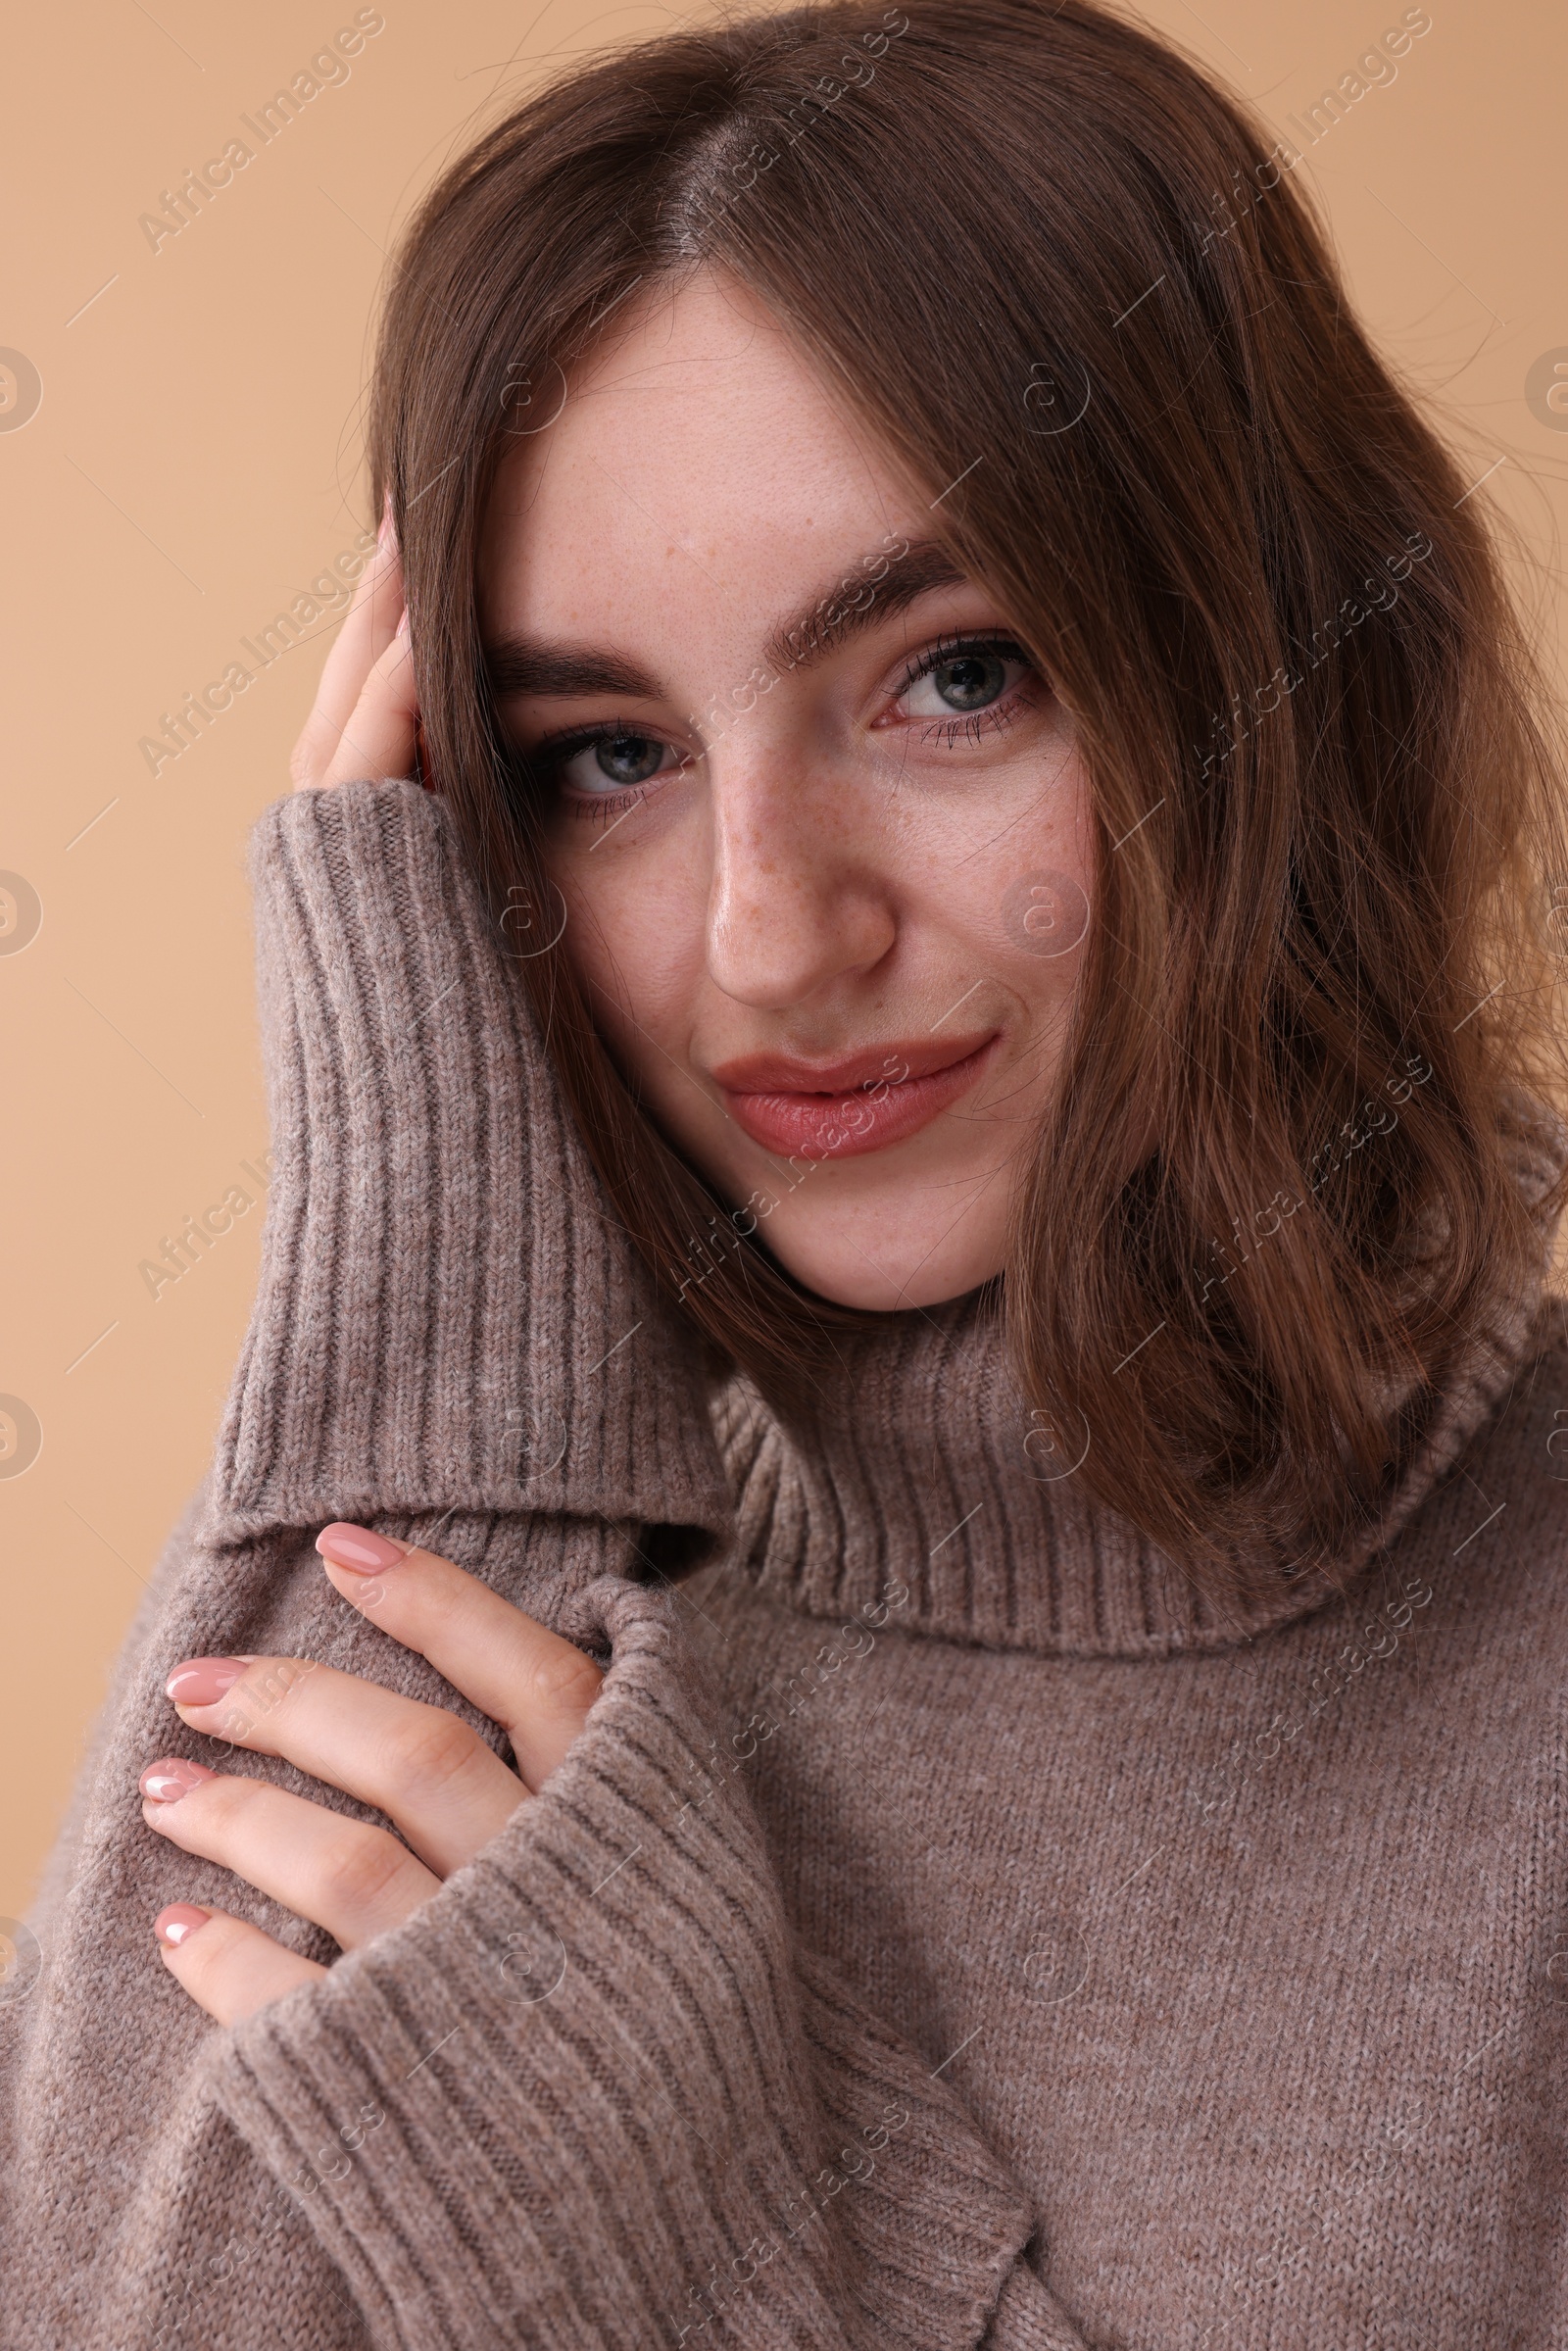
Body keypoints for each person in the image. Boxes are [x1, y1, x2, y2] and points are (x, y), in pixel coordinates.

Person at [6, 0, 1567, 2343]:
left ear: (1281, 674)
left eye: (954, 678)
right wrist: (417, 1266)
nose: (768, 931)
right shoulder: (431, 1573)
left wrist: (704, 2234)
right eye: (602, 753)